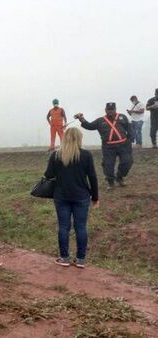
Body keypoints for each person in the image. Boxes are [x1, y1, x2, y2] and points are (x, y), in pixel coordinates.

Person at [45, 128, 99, 268]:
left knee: (64, 227)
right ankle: (80, 260)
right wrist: (95, 197)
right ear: (79, 138)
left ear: (64, 138)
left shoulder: (56, 155)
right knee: (80, 227)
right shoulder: (86, 155)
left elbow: (48, 175)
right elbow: (92, 177)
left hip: (61, 196)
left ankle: (64, 258)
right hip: (81, 196)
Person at [74, 102, 134, 189]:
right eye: (108, 110)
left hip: (123, 145)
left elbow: (129, 127)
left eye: (112, 110)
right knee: (108, 164)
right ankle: (110, 182)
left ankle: (119, 176)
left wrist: (130, 139)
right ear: (105, 110)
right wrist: (82, 119)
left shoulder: (122, 117)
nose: (110, 111)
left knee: (128, 161)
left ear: (115, 109)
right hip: (108, 147)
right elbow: (90, 126)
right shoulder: (100, 120)